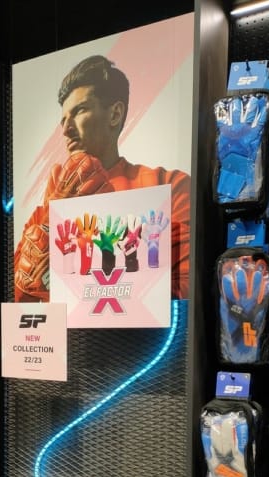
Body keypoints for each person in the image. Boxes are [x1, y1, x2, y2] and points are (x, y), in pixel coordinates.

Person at [14, 54, 191, 302]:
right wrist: (50, 222)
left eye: (80, 110)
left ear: (115, 114)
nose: (66, 129)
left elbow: (186, 290)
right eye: (63, 120)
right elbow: (18, 300)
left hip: (138, 330)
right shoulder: (48, 207)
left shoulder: (169, 185)